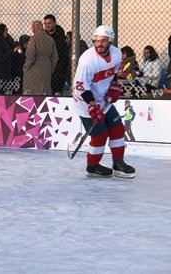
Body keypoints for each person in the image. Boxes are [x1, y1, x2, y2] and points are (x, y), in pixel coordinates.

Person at [72, 25, 135, 179]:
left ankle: (118, 163)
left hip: (103, 100)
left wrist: (114, 86)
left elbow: (112, 74)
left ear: (110, 41)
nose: (99, 44)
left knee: (118, 129)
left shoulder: (116, 54)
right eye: (96, 40)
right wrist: (92, 106)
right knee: (100, 135)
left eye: (103, 41)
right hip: (85, 102)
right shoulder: (88, 61)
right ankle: (92, 166)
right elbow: (81, 87)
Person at [23, 20, 58, 95]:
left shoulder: (34, 38)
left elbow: (30, 54)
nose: (32, 29)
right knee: (45, 90)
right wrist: (51, 68)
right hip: (47, 67)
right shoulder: (50, 39)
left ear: (36, 28)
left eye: (32, 27)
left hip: (34, 68)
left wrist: (26, 66)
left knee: (31, 91)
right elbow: (55, 57)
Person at [43, 14, 70, 95]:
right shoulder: (43, 36)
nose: (47, 25)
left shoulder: (62, 37)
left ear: (55, 23)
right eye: (45, 24)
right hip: (46, 67)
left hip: (59, 68)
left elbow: (64, 55)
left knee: (57, 92)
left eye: (49, 23)